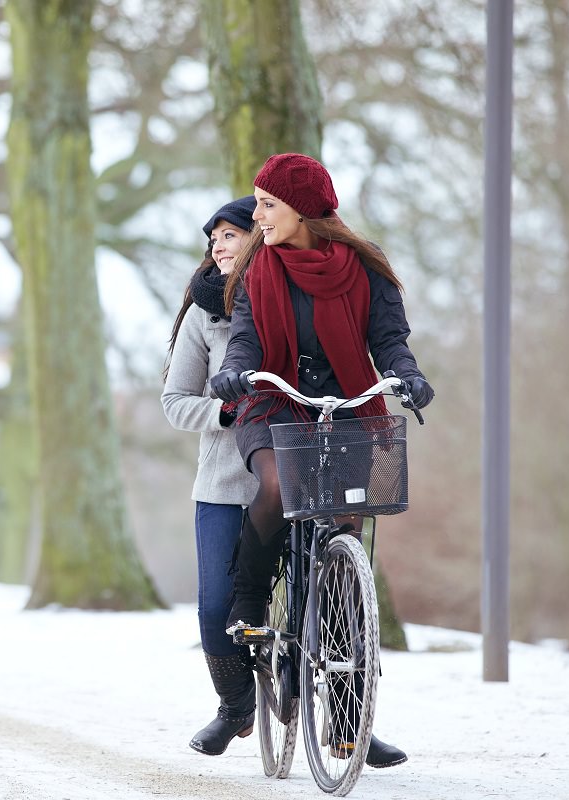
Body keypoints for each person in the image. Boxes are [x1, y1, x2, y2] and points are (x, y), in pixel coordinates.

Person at [210, 153, 435, 768]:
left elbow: (390, 340)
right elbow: (248, 337)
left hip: (345, 407)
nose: (256, 216)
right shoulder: (260, 268)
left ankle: (350, 716)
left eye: (267, 204)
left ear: (302, 209)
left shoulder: (364, 267)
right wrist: (233, 373)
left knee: (342, 539)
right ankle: (251, 602)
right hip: (275, 403)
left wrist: (408, 377)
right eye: (256, 204)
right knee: (279, 483)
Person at [161, 196, 261, 756]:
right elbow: (175, 402)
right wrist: (223, 412)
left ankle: (350, 718)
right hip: (225, 485)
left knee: (328, 602)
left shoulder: (290, 301)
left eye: (231, 234)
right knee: (215, 608)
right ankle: (236, 707)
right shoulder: (205, 314)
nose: (218, 246)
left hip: (297, 478)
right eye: (214, 237)